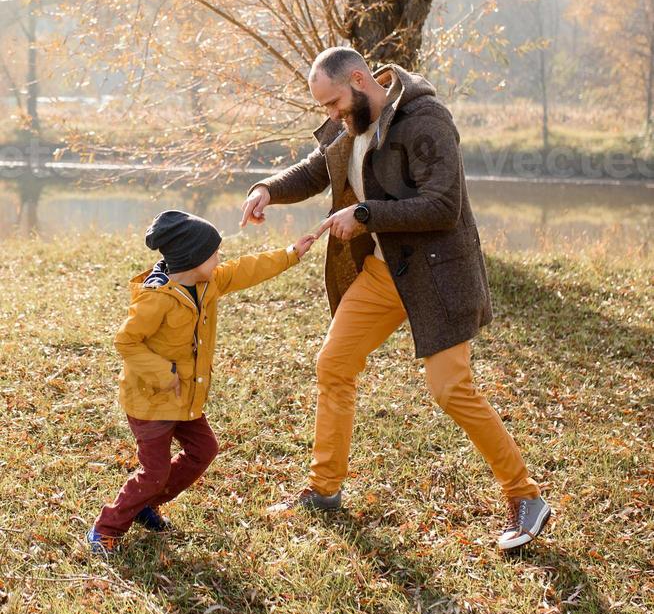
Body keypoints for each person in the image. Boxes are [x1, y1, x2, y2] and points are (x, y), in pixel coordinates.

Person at [241, 48, 551, 552]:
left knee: (450, 389)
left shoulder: (424, 119)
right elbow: (320, 167)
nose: (332, 115)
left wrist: (365, 215)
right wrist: (266, 190)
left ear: (361, 81)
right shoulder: (354, 121)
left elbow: (443, 205)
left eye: (334, 103)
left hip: (436, 278)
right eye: (325, 108)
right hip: (383, 275)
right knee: (334, 364)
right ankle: (323, 491)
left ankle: (525, 495)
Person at [86, 209, 315, 557]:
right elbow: (126, 342)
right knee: (155, 472)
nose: (220, 259)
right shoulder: (157, 298)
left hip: (187, 398)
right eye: (214, 253)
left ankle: (145, 505)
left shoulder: (207, 281)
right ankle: (107, 527)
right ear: (194, 259)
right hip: (151, 401)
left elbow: (245, 270)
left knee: (204, 450)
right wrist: (165, 374)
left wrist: (290, 254)